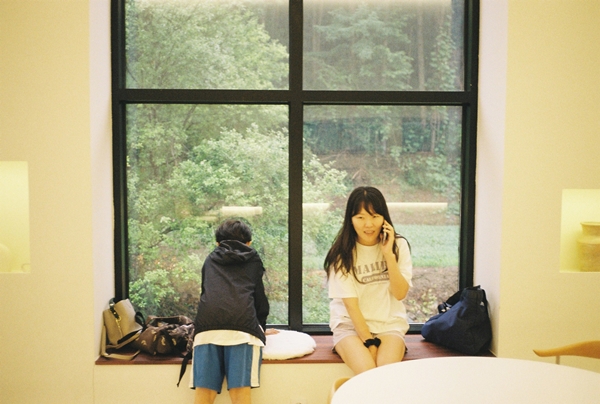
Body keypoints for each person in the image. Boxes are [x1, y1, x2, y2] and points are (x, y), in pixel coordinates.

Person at [324, 186, 413, 375]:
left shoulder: (399, 246)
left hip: (389, 325)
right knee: (368, 372)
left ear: (384, 218)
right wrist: (370, 343)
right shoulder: (341, 254)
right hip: (349, 326)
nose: (368, 224)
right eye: (360, 217)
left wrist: (388, 255)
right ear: (350, 219)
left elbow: (400, 294)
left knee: (384, 373)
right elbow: (351, 307)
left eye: (374, 216)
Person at [191, 218, 274, 404]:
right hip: (243, 331)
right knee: (239, 396)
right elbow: (260, 301)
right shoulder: (253, 259)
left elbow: (206, 294)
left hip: (206, 329)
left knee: (204, 396)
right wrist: (261, 327)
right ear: (249, 243)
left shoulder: (210, 259)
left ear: (217, 243)